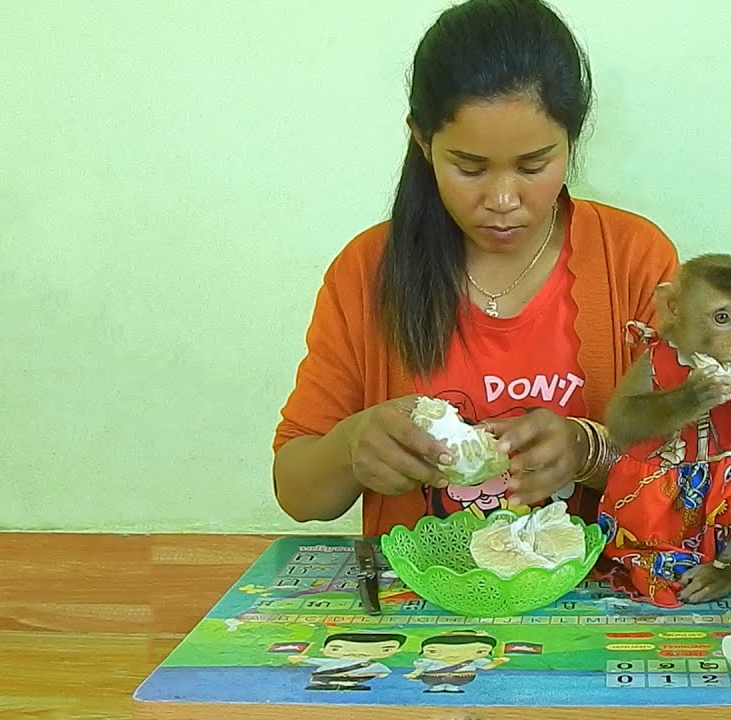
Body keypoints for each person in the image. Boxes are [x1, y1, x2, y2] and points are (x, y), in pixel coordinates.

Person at [272, 0, 678, 536]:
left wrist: (589, 450)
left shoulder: (633, 258)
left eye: (535, 165)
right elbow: (297, 493)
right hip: (422, 605)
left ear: (572, 140)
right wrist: (352, 446)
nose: (504, 199)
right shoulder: (367, 271)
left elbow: (701, 472)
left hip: (589, 600)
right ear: (423, 141)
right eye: (469, 167)